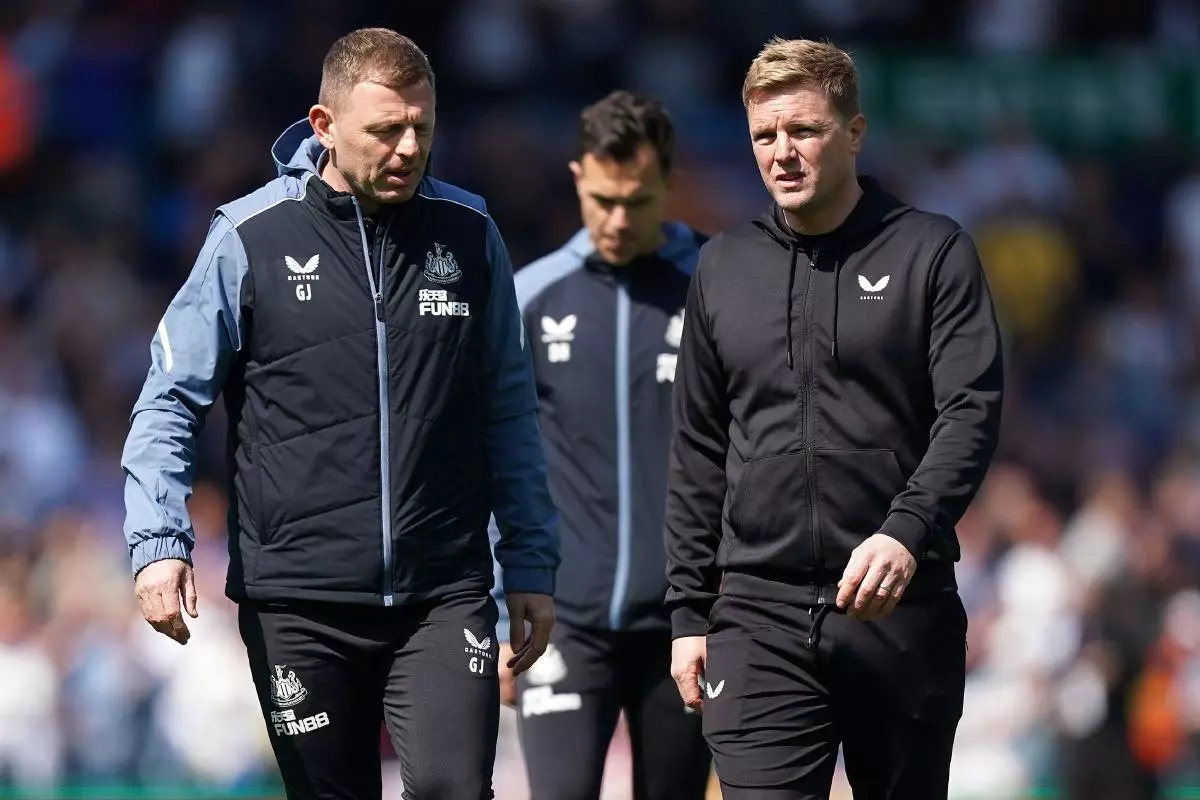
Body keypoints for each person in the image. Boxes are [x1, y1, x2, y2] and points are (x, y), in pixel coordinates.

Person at [121, 28, 560, 800]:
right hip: (297, 601)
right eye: (385, 130)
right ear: (323, 125)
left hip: (443, 591)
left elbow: (510, 410)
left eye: (422, 127)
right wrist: (158, 539)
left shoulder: (470, 234)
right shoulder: (248, 238)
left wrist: (529, 561)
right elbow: (169, 398)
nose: (408, 148)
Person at [664, 37, 1004, 800]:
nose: (781, 152)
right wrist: (688, 612)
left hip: (899, 607)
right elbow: (696, 449)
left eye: (804, 130)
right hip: (756, 616)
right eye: (764, 135)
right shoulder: (721, 267)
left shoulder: (932, 252)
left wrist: (906, 531)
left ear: (854, 133)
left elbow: (971, 412)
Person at [491, 90, 712, 799]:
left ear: (668, 182)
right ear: (578, 176)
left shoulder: (717, 287)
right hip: (563, 620)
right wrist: (498, 610)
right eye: (603, 199)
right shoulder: (530, 296)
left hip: (686, 621)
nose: (618, 220)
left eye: (637, 201)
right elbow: (495, 464)